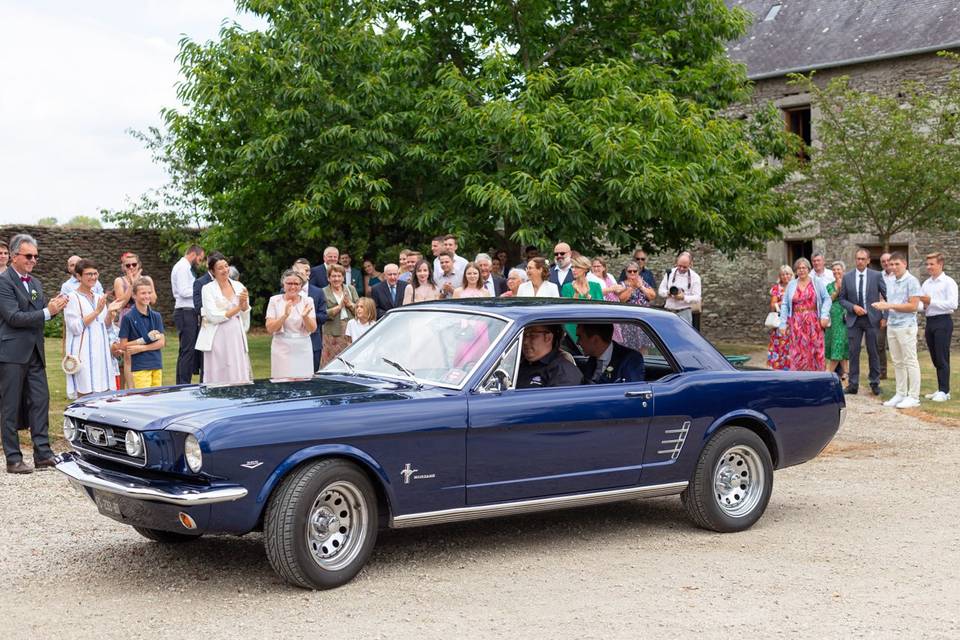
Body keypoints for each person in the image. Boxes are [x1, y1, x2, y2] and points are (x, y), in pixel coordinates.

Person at [0, 233, 67, 473]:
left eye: (36, 257)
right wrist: (47, 312)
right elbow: (14, 317)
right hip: (11, 354)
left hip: (35, 353)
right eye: (28, 256)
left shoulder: (35, 283)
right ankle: (14, 458)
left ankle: (43, 454)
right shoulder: (3, 281)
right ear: (14, 256)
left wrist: (55, 308)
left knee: (40, 401)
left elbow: (37, 316)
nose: (33, 260)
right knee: (9, 407)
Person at [872, 252, 922, 409]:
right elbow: (893, 302)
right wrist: (884, 305)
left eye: (896, 264)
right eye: (891, 264)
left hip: (906, 326)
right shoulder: (891, 280)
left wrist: (888, 305)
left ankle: (914, 397)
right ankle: (901, 393)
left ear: (905, 264)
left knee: (910, 361)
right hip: (892, 325)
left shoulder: (912, 281)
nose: (893, 267)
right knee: (898, 362)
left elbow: (913, 306)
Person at [63, 259, 118, 398]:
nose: (93, 277)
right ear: (79, 276)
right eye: (88, 274)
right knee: (85, 389)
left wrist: (110, 314)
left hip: (101, 351)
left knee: (104, 392)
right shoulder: (71, 298)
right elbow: (75, 327)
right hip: (82, 352)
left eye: (95, 273)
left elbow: (103, 326)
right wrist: (96, 311)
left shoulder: (99, 297)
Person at [195, 255, 252, 384]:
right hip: (217, 334)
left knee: (236, 365)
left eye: (226, 266)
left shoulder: (239, 286)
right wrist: (239, 307)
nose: (225, 270)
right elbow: (213, 316)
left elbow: (245, 311)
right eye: (220, 268)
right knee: (219, 367)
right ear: (212, 271)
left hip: (235, 333)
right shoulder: (207, 289)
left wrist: (244, 305)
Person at [837, 247, 886, 395]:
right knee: (853, 352)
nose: (860, 261)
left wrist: (885, 316)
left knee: (873, 352)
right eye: (858, 259)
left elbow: (887, 296)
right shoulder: (847, 277)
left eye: (863, 259)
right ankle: (853, 385)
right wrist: (853, 307)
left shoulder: (876, 276)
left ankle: (875, 383)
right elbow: (842, 299)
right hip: (854, 320)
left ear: (868, 261)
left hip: (872, 319)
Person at [778, 257, 831, 372]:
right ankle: (799, 378)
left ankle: (817, 378)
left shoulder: (816, 282)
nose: (801, 270)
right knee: (798, 351)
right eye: (799, 268)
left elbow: (827, 299)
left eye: (804, 268)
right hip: (796, 323)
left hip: (814, 322)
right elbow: (785, 304)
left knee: (815, 350)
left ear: (808, 269)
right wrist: (782, 323)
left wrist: (824, 315)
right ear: (796, 271)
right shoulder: (791, 285)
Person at [919, 252, 958, 402]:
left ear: (940, 264)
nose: (928, 267)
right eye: (927, 264)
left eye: (931, 264)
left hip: (943, 321)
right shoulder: (926, 283)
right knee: (935, 357)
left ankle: (944, 391)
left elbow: (953, 304)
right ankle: (941, 389)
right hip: (930, 322)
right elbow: (923, 305)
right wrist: (919, 304)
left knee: (942, 357)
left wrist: (931, 301)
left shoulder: (949, 282)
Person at [265, 269, 317, 379]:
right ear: (283, 284)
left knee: (303, 382)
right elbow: (270, 328)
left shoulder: (308, 301)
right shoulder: (274, 300)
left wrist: (305, 317)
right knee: (283, 381)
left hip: (303, 347)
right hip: (281, 347)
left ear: (301, 285)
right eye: (289, 283)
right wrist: (284, 316)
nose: (292, 287)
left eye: (296, 284)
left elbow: (312, 328)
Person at [118, 277, 166, 389]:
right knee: (144, 400)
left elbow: (161, 343)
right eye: (143, 293)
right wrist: (145, 339)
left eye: (149, 293)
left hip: (156, 364)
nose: (147, 296)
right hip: (139, 366)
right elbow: (123, 346)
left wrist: (141, 348)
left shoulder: (156, 316)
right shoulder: (128, 318)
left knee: (156, 398)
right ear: (134, 295)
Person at [171, 244, 205, 384]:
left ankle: (181, 383)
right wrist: (202, 291)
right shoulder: (183, 268)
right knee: (188, 351)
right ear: (193, 254)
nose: (200, 262)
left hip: (187, 312)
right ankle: (184, 384)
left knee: (186, 350)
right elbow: (183, 291)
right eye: (200, 258)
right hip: (185, 312)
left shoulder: (184, 267)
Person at [516, 324, 583, 388]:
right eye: (524, 335)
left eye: (532, 336)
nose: (525, 342)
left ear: (548, 337)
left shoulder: (563, 371)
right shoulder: (520, 364)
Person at [576, 323, 646, 383]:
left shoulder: (630, 360)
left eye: (580, 337)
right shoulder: (593, 358)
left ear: (595, 340)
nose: (577, 342)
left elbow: (631, 394)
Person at [292, 259, 328, 372]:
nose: (301, 273)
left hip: (313, 342)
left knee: (312, 376)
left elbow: (323, 316)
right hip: (292, 342)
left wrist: (309, 316)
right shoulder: (286, 291)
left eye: (305, 270)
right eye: (298, 271)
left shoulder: (318, 292)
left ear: (308, 273)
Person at [321, 264, 359, 367]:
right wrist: (339, 307)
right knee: (331, 361)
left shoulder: (350, 289)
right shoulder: (323, 292)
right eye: (333, 276)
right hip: (332, 332)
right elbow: (322, 314)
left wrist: (350, 304)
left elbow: (360, 309)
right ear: (329, 278)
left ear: (343, 277)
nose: (336, 279)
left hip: (350, 328)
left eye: (339, 276)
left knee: (350, 358)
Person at [618, 260, 656, 352]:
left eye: (635, 271)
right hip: (629, 321)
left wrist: (641, 287)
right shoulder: (622, 284)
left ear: (638, 272)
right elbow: (621, 299)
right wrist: (632, 287)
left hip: (643, 319)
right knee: (628, 348)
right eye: (630, 271)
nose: (632, 273)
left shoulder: (643, 283)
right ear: (626, 272)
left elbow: (652, 296)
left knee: (643, 348)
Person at [824, 261, 850, 381]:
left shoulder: (849, 284)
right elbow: (829, 300)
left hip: (844, 317)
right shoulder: (829, 285)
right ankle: (846, 372)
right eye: (834, 270)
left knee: (840, 343)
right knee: (834, 342)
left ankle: (828, 372)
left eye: (838, 269)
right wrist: (838, 290)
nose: (836, 272)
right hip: (833, 318)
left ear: (843, 270)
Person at [657, 252, 700, 325]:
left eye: (685, 267)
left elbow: (697, 297)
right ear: (677, 261)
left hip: (684, 313)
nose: (681, 269)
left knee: (683, 335)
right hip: (668, 312)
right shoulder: (669, 273)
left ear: (690, 264)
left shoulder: (695, 277)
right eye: (679, 266)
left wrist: (684, 297)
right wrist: (668, 293)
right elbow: (660, 291)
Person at [766, 265, 793, 370]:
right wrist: (784, 302)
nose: (785, 276)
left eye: (787, 274)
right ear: (780, 276)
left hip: (794, 321)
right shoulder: (777, 288)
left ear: (791, 275)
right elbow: (772, 305)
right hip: (781, 321)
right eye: (783, 274)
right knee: (780, 346)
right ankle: (778, 369)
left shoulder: (796, 286)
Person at [877, 252, 896, 380]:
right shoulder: (878, 276)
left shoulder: (899, 276)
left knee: (896, 347)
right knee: (879, 345)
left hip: (896, 315)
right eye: (883, 261)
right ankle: (882, 372)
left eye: (888, 260)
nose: (886, 263)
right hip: (881, 315)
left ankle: (900, 373)